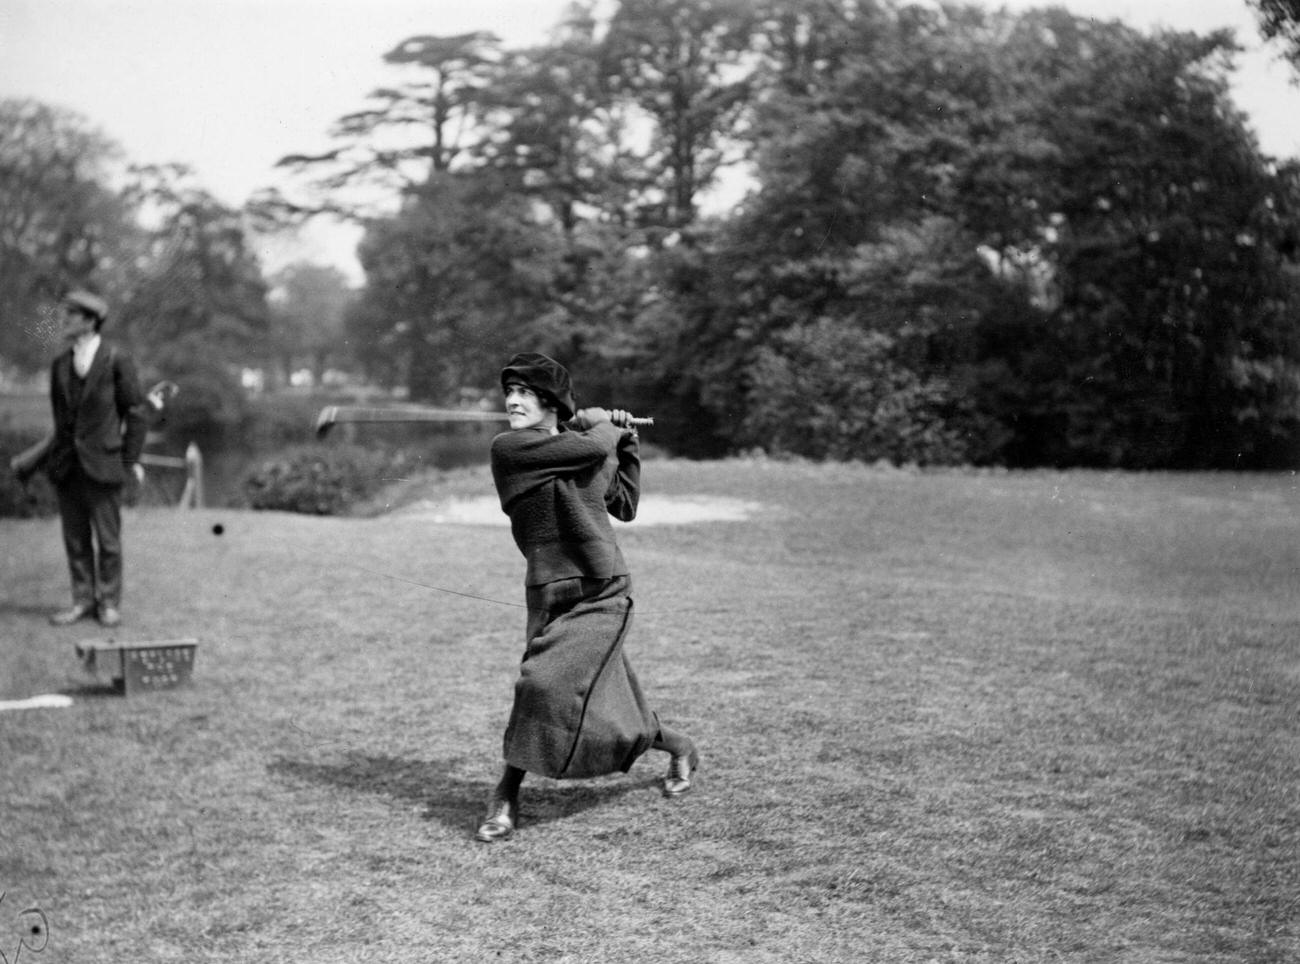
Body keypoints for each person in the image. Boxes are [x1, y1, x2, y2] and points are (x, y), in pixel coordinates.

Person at [476, 352, 699, 843]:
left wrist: (628, 440)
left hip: (602, 590)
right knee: (600, 699)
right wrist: (606, 427)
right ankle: (680, 745)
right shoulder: (511, 449)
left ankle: (506, 794)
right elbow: (593, 445)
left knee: (541, 685)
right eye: (509, 393)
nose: (512, 401)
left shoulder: (582, 447)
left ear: (552, 401)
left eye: (527, 394)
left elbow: (626, 504)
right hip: (547, 592)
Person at [42, 289, 148, 628]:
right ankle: (82, 601)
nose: (64, 321)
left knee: (108, 541)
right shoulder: (59, 365)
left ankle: (109, 603)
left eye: (71, 315)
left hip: (104, 464)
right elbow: (60, 421)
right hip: (68, 467)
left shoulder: (117, 359)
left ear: (89, 321)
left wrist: (129, 462)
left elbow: (135, 413)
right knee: (74, 540)